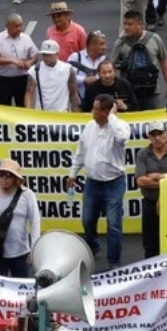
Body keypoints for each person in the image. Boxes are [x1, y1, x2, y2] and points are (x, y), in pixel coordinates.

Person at [66, 95, 129, 268]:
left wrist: (113, 116)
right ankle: (93, 246)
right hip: (92, 183)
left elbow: (122, 138)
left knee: (113, 224)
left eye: (97, 109)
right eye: (93, 108)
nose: (93, 112)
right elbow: (80, 152)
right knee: (87, 220)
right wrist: (73, 174)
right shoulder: (89, 127)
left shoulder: (120, 127)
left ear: (106, 112)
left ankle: (114, 261)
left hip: (114, 183)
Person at [0, 159, 40, 277]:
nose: (4, 179)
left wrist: (34, 249)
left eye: (8, 175)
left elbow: (35, 223)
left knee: (22, 292)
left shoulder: (27, 195)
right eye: (1, 175)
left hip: (21, 254)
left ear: (16, 178)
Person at [135, 122, 167, 258]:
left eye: (160, 133)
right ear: (149, 137)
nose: (157, 138)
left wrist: (157, 176)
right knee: (150, 244)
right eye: (153, 134)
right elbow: (140, 180)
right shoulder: (143, 154)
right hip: (150, 202)